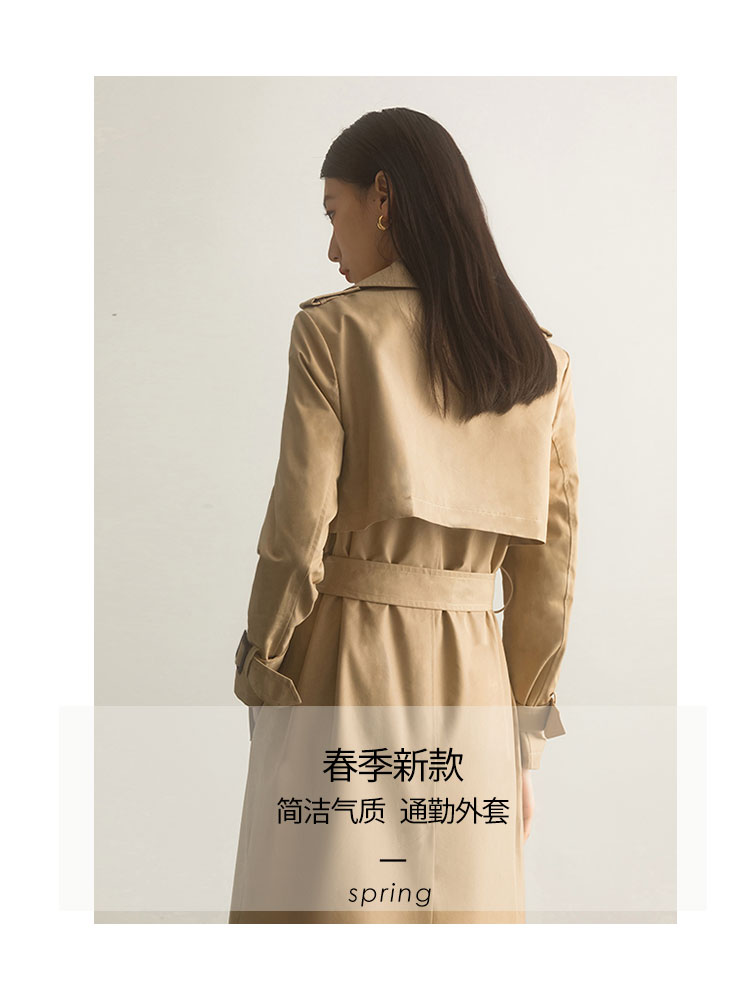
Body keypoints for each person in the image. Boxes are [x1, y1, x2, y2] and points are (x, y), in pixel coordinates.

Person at [228, 108, 579, 923]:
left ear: (381, 197)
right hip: (477, 688)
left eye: (334, 212)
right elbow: (550, 576)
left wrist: (263, 668)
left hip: (341, 667)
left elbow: (296, 537)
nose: (331, 247)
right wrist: (520, 741)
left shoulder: (332, 332)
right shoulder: (541, 363)